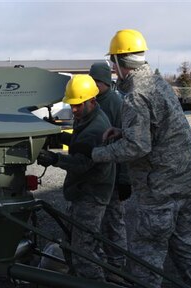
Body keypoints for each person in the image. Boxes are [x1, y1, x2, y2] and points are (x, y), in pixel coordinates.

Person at [90, 29, 191, 287]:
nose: (112, 68)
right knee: (186, 250)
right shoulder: (158, 84)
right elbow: (160, 129)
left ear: (122, 62)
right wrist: (123, 131)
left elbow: (137, 147)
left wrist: (98, 154)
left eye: (113, 62)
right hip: (189, 184)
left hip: (162, 192)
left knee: (147, 256)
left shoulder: (135, 95)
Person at [37, 74, 115, 281]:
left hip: (91, 195)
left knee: (83, 254)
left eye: (78, 105)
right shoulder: (88, 118)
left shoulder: (96, 127)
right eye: (71, 105)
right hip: (84, 192)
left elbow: (83, 163)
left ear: (92, 101)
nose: (73, 109)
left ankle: (95, 283)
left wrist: (54, 159)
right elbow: (81, 145)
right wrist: (61, 135)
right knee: (75, 246)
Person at [89, 62, 130, 283]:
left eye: (97, 82)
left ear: (105, 82)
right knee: (98, 222)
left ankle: (117, 267)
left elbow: (125, 142)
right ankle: (103, 263)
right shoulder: (94, 103)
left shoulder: (115, 103)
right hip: (98, 174)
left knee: (114, 221)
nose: (94, 85)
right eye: (92, 81)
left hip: (114, 174)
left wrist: (124, 178)